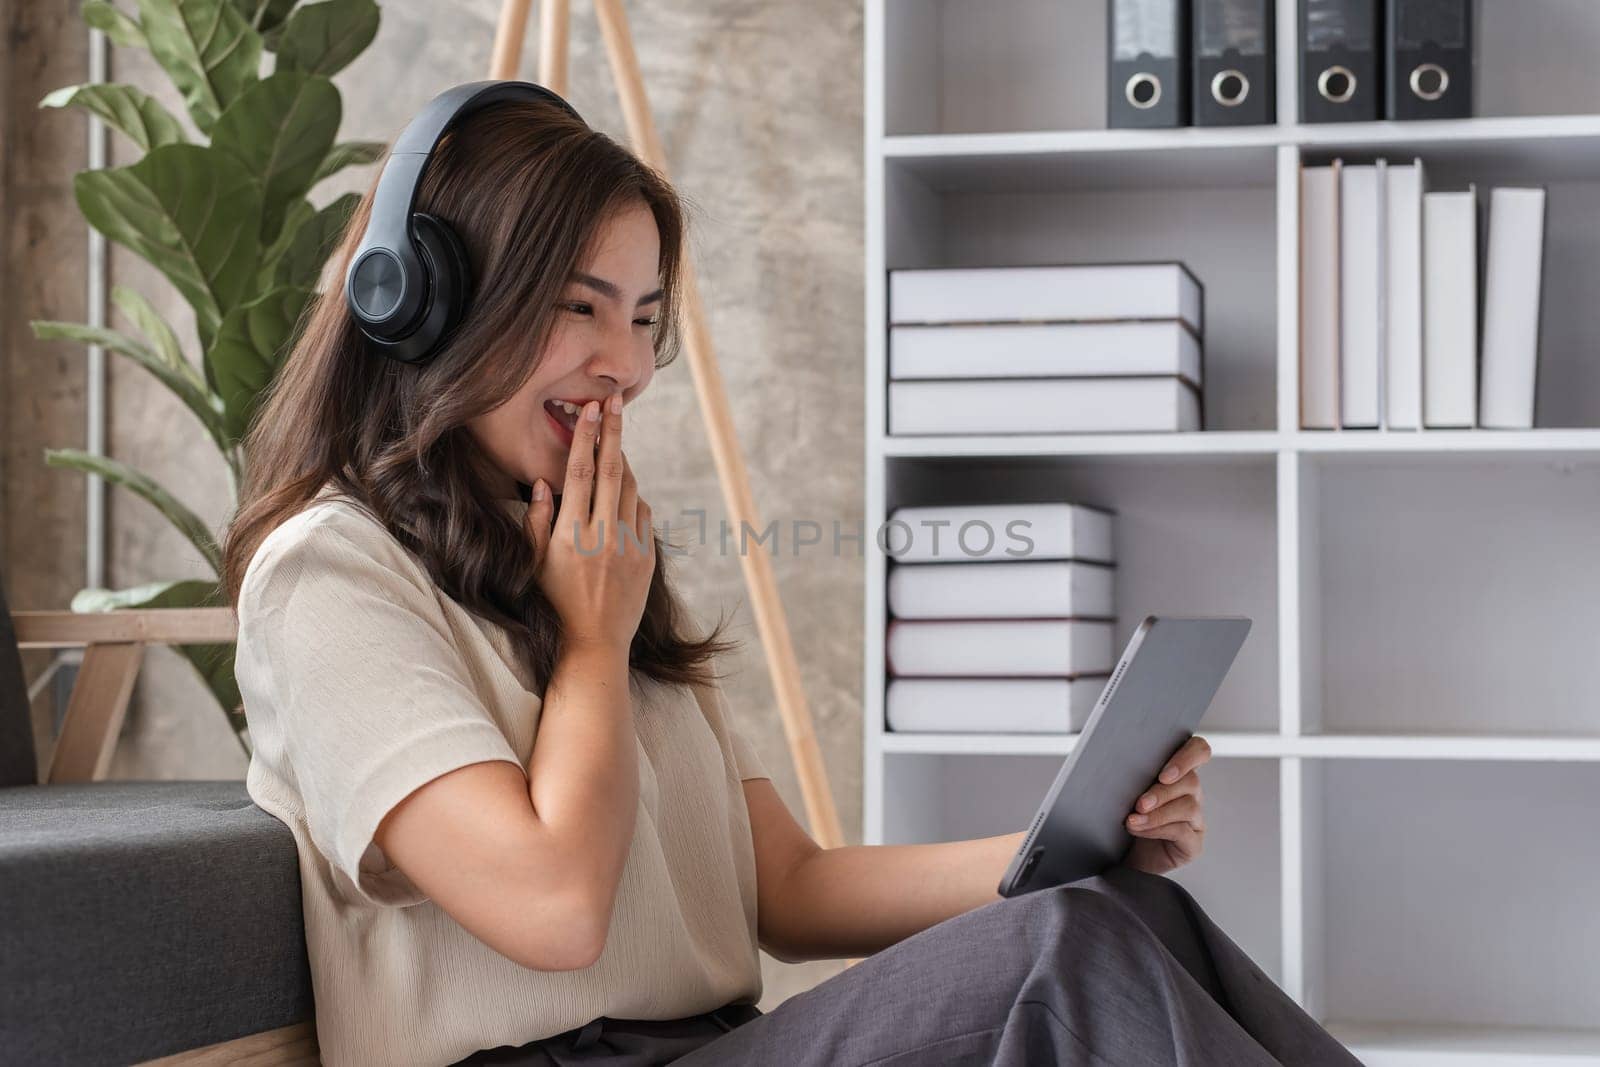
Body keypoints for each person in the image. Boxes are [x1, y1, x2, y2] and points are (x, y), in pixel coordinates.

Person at [221, 86, 1361, 1067]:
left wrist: (1073, 842)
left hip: (719, 1041)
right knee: (1067, 958)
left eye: (644, 319)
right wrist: (589, 645)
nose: (621, 365)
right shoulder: (329, 575)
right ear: (421, 302)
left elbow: (793, 887)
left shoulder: (589, 561)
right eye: (578, 307)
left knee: (1122, 908)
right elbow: (553, 906)